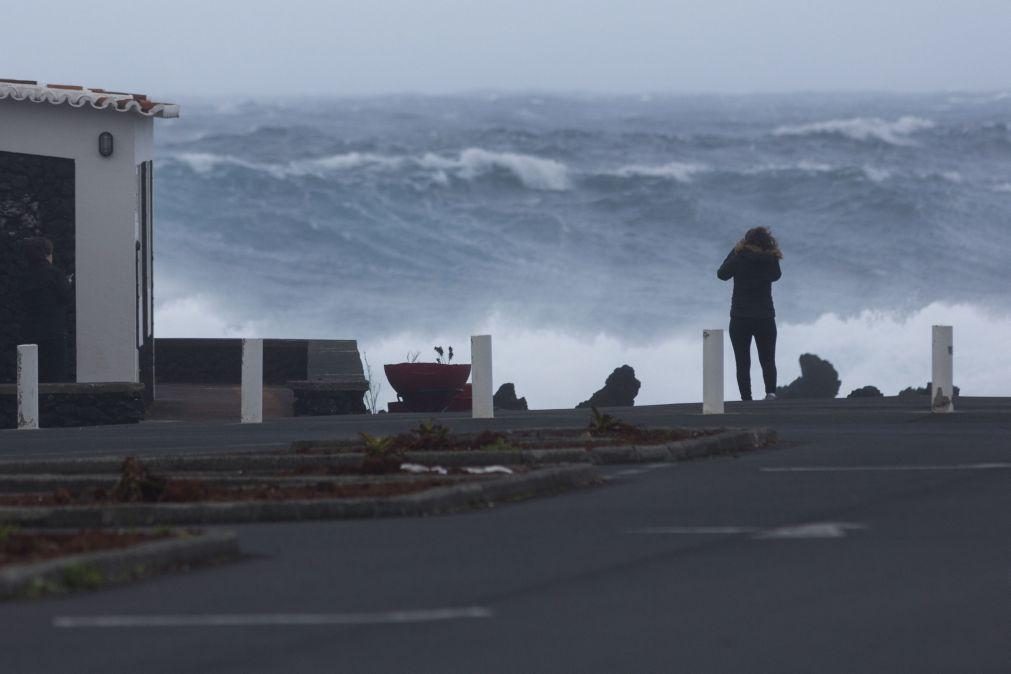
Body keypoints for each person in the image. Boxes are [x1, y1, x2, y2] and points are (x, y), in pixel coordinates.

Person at [717, 227, 782, 401]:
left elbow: (721, 274)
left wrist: (735, 251)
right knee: (768, 359)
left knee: (742, 361)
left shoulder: (739, 257)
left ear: (747, 241)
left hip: (740, 317)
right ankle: (770, 393)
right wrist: (770, 255)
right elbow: (777, 276)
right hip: (765, 317)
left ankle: (746, 398)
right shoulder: (770, 259)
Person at [20, 237, 72, 382]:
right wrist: (68, 283)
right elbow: (66, 297)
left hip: (30, 332)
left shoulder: (24, 276)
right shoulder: (55, 274)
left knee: (33, 375)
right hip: (53, 331)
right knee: (56, 374)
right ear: (47, 254)